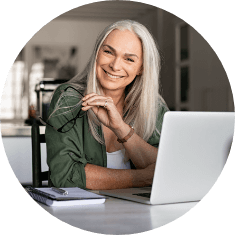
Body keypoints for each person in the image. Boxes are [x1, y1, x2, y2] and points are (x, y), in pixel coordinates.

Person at [44, 20, 169, 190]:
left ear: (141, 68)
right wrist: (142, 178)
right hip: (79, 213)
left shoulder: (153, 107)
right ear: (97, 53)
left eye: (129, 59)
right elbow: (65, 176)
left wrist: (121, 128)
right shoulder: (68, 98)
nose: (115, 65)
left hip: (138, 211)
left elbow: (168, 170)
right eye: (109, 52)